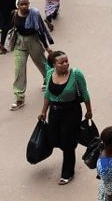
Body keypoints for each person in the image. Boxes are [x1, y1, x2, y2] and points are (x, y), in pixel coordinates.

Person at [39, 49, 92, 185]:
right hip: (55, 112)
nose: (65, 64)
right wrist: (43, 111)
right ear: (53, 65)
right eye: (61, 62)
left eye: (66, 61)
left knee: (67, 144)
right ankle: (69, 146)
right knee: (54, 139)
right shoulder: (50, 73)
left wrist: (89, 111)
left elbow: (85, 93)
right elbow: (48, 95)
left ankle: (67, 173)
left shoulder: (76, 74)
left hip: (71, 112)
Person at [8, 0, 53, 110]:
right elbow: (8, 28)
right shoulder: (14, 14)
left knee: (42, 64)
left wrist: (47, 48)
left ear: (29, 4)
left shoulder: (34, 14)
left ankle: (48, 80)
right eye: (21, 4)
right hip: (19, 43)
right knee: (19, 69)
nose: (24, 6)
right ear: (17, 4)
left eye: (26, 4)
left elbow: (41, 31)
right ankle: (19, 97)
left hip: (34, 42)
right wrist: (2, 43)